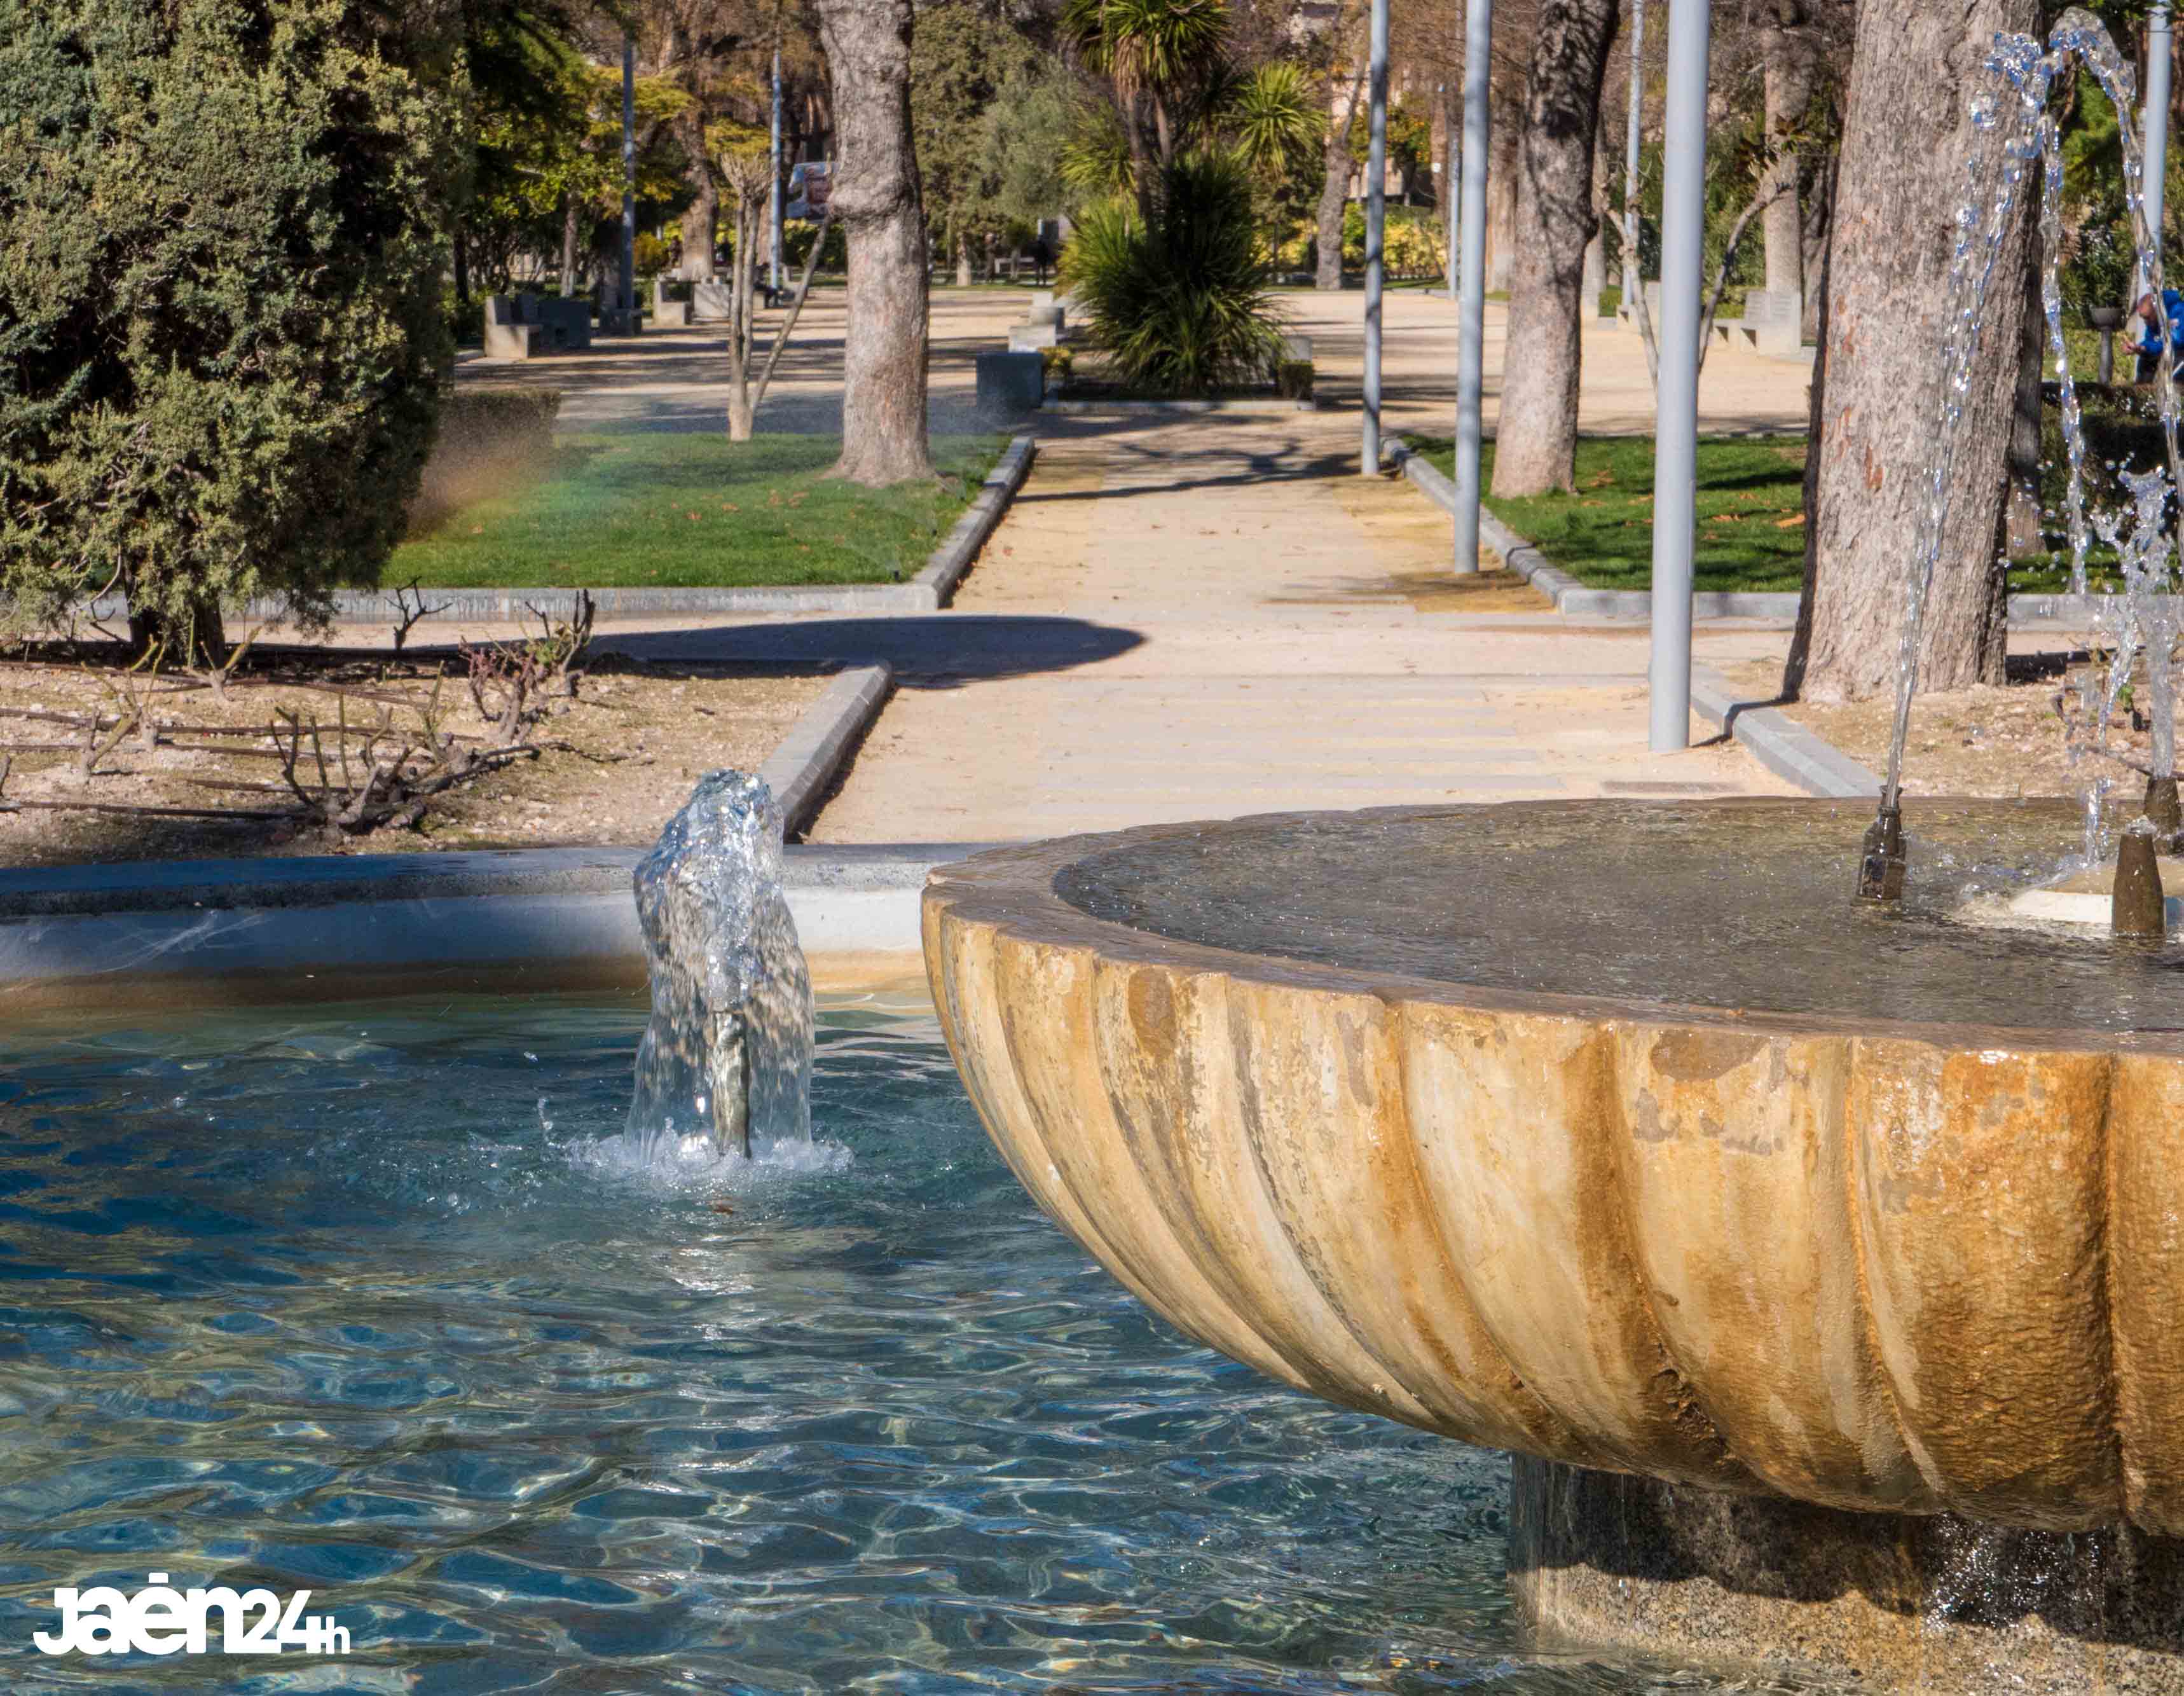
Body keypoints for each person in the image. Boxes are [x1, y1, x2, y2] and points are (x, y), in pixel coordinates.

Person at [2130, 287, 2184, 382]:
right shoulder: (2154, 320)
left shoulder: (2179, 311)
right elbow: (2151, 340)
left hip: (2180, 356)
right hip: (2170, 354)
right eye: (2143, 318)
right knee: (2146, 358)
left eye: (2147, 318)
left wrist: (2146, 348)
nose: (2146, 322)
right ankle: (2142, 391)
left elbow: (2174, 342)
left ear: (2157, 310)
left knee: (2172, 358)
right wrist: (2139, 348)